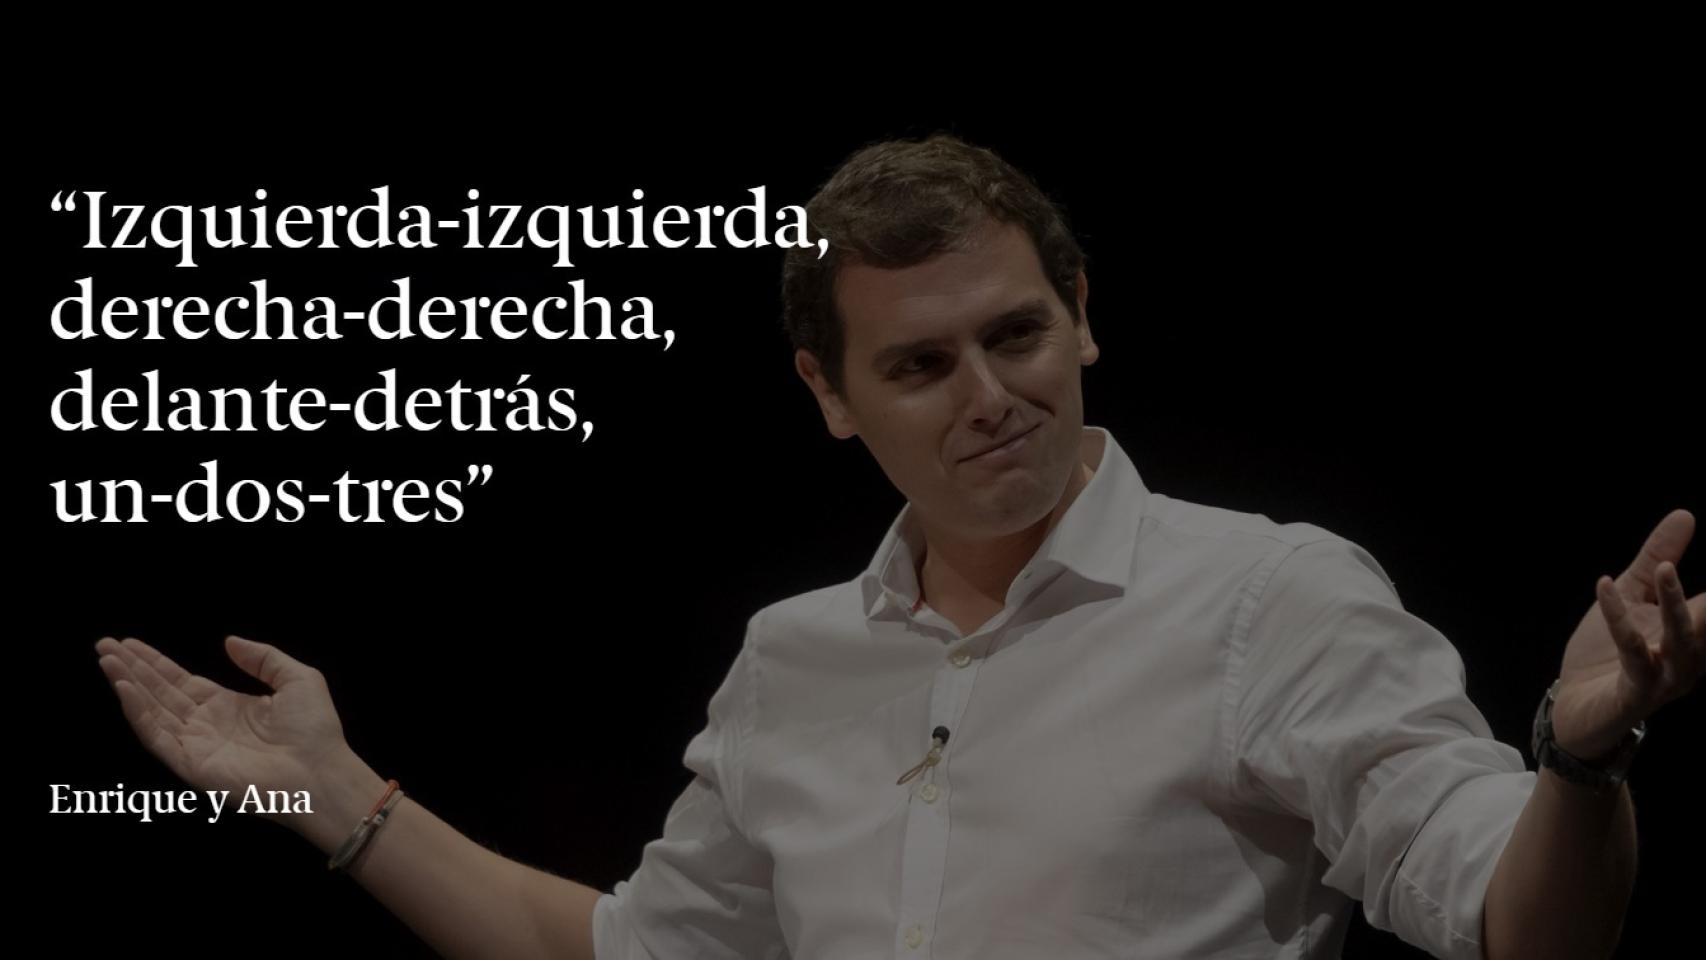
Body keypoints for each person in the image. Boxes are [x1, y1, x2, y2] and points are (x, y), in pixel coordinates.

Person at [95, 134, 1703, 959]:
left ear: (1082, 316)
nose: (989, 396)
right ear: (829, 395)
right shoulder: (792, 658)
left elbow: (1519, 927)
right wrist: (335, 800)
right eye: (922, 365)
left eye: (1016, 334)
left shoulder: (1268, 599)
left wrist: (1579, 764)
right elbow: (626, 949)